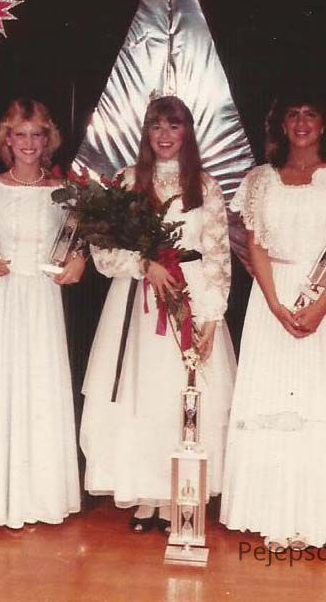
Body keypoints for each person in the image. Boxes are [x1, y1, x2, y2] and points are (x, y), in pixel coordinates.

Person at [79, 96, 236, 533]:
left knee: (180, 394)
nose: (165, 136)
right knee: (140, 396)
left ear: (187, 132)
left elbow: (219, 255)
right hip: (139, 302)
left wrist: (211, 316)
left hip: (190, 294)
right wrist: (143, 264)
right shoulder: (128, 180)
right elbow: (103, 252)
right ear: (146, 133)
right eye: (156, 127)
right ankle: (145, 494)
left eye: (174, 126)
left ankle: (175, 497)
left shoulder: (205, 185)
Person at [222, 90, 326, 551]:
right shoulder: (260, 180)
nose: (302, 122)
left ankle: (313, 518)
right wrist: (273, 302)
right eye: (293, 115)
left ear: (323, 124)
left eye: (311, 114)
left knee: (316, 402)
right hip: (273, 299)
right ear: (281, 125)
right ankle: (267, 513)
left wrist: (320, 305)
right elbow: (256, 245)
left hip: (325, 300)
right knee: (271, 400)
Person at [0, 98, 85, 529]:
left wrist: (80, 261)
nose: (29, 143)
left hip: (42, 301)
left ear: (48, 140)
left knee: (41, 391)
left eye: (37, 134)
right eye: (20, 134)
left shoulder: (65, 191)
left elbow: (78, 242)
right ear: (7, 140)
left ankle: (41, 496)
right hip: (0, 297)